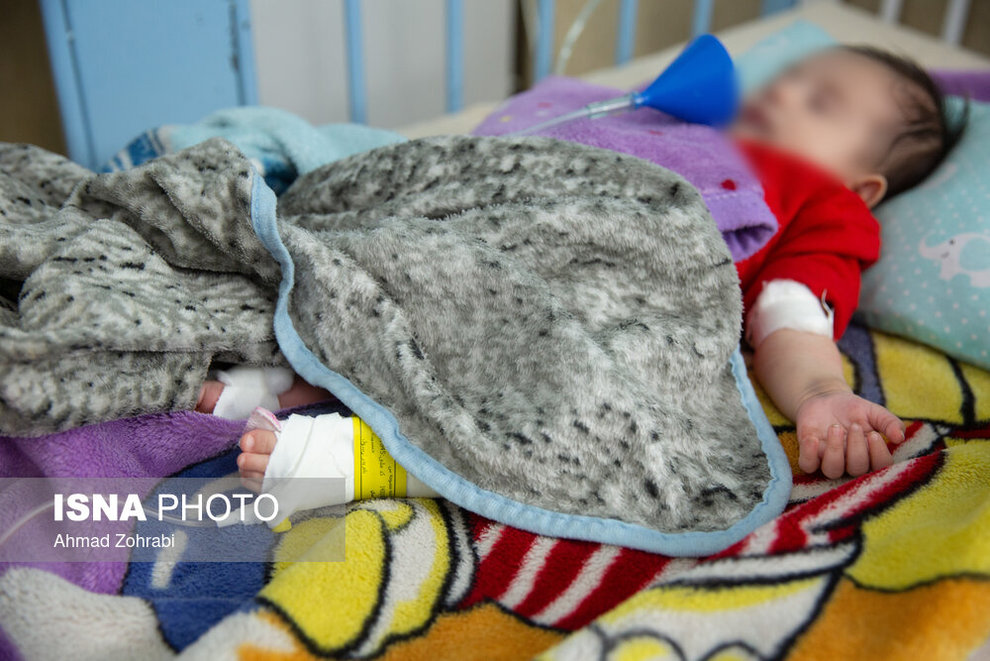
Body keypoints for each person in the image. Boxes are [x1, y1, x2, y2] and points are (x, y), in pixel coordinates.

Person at [197, 45, 962, 497]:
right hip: (497, 234)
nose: (782, 92)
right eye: (784, 78)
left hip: (608, 301)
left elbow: (791, 313)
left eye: (821, 102)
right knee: (383, 276)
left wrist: (823, 394)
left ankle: (361, 460)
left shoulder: (820, 200)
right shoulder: (670, 121)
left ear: (862, 185)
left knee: (577, 418)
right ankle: (284, 378)